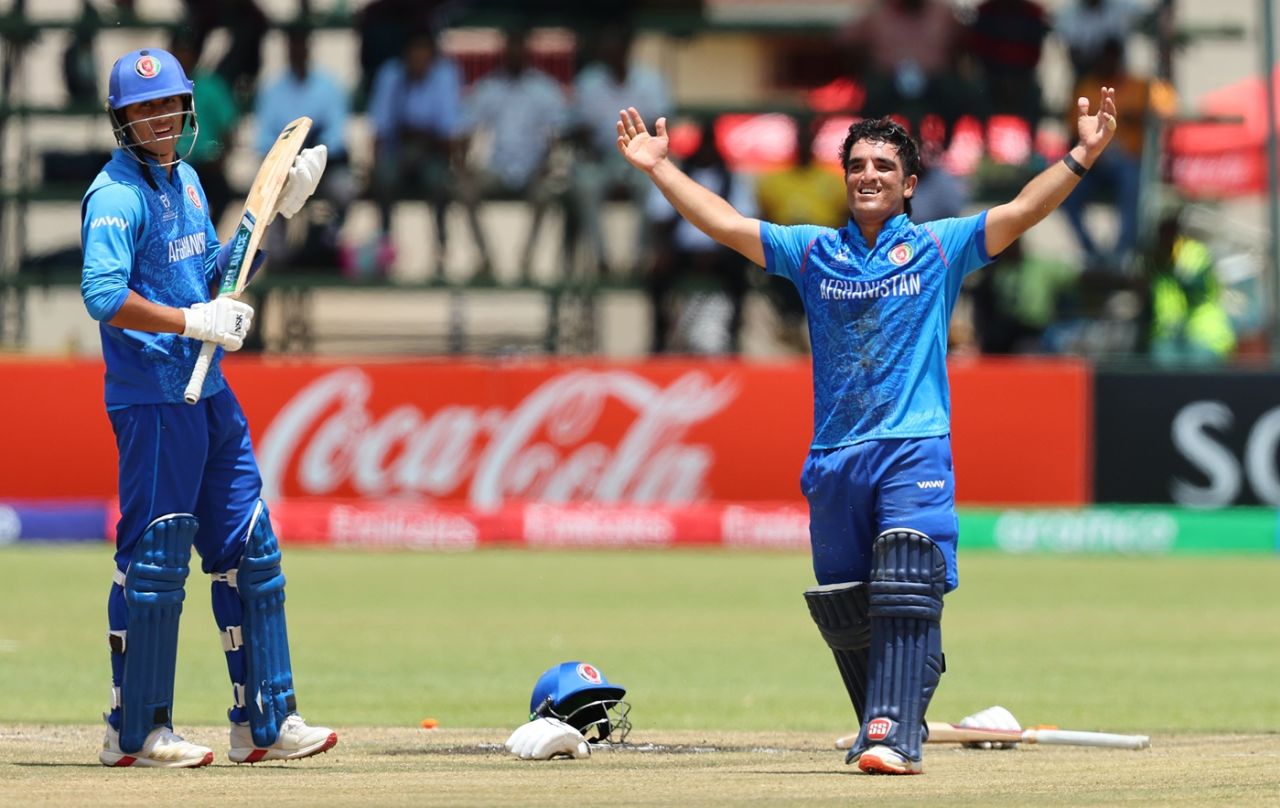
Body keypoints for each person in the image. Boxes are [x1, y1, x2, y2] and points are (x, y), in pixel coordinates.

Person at [614, 84, 1119, 774]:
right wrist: (657, 168)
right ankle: (899, 701)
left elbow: (1021, 210)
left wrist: (1081, 157)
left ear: (910, 184)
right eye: (857, 165)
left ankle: (893, 737)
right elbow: (728, 225)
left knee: (908, 570)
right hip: (833, 457)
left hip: (914, 447)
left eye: (884, 166)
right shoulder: (815, 252)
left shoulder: (942, 249)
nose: (868, 175)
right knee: (848, 612)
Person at [80, 47, 336, 767]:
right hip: (153, 396)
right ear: (121, 120)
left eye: (168, 106)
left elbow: (214, 275)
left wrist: (278, 213)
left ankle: (265, 723)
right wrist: (192, 323)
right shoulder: (115, 195)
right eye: (142, 110)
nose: (159, 119)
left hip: (208, 389)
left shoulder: (186, 181)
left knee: (250, 548)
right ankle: (135, 730)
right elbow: (103, 296)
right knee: (158, 557)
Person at [368, 29, 491, 281]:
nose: (418, 61)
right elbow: (381, 129)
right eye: (413, 55)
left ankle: (440, 251)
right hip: (398, 151)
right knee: (383, 177)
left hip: (432, 154)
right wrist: (374, 166)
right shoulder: (391, 76)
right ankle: (385, 249)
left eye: (424, 55)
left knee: (438, 181)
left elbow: (448, 133)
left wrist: (424, 136)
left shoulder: (445, 75)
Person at [461, 26, 570, 284]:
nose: (515, 56)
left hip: (534, 169)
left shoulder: (544, 88)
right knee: (465, 190)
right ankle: (485, 258)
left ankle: (527, 259)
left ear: (528, 54)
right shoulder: (488, 87)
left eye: (520, 51)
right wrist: (464, 164)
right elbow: (468, 129)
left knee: (547, 193)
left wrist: (548, 164)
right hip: (497, 168)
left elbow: (557, 135)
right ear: (503, 53)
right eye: (511, 51)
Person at [645, 118, 754, 354]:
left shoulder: (732, 179)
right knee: (656, 275)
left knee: (741, 273)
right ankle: (659, 338)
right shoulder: (677, 176)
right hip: (682, 251)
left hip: (722, 251)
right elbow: (660, 220)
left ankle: (734, 336)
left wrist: (717, 250)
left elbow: (745, 221)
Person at [253, 24, 357, 271]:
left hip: (324, 166)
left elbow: (337, 137)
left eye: (302, 44)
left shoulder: (329, 87)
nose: (298, 50)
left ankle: (324, 242)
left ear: (309, 48)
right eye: (293, 45)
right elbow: (263, 140)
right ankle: (278, 258)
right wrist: (289, 157)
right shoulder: (272, 90)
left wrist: (310, 154)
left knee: (345, 189)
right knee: (268, 191)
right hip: (283, 167)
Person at [1139, 213, 1235, 364]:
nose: (1166, 241)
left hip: (1203, 338)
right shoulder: (1156, 263)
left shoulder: (1193, 254)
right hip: (1168, 339)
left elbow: (1198, 289)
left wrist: (1179, 271)